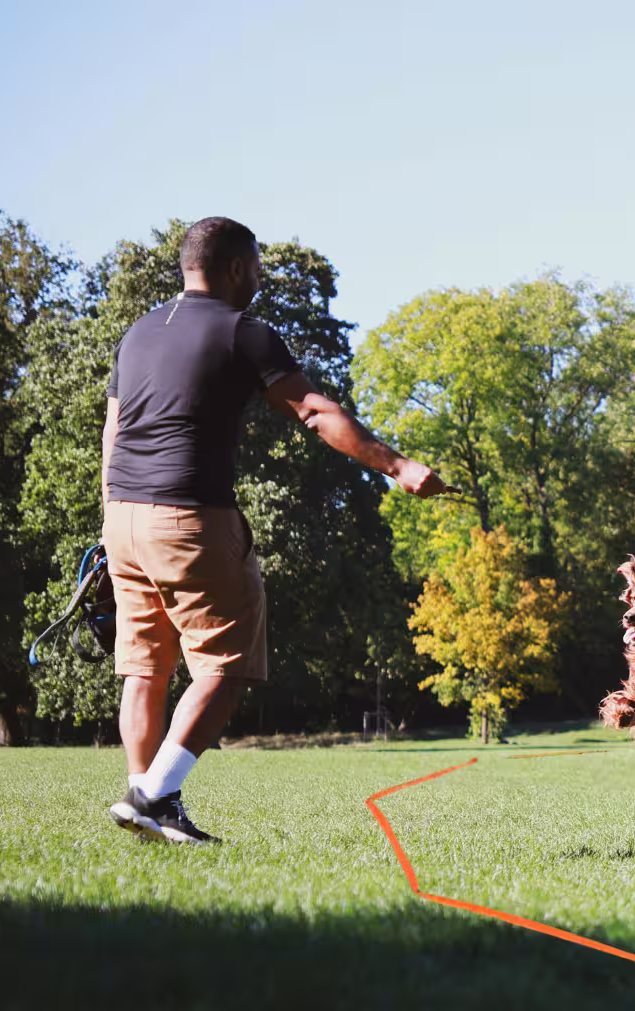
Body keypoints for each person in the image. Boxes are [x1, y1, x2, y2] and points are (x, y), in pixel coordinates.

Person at [103, 216, 455, 843]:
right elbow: (315, 413)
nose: (260, 279)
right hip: (191, 516)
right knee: (226, 666)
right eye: (258, 267)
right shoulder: (245, 331)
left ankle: (150, 805)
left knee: (144, 669)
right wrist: (397, 465)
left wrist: (113, 521)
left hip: (122, 517)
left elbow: (115, 432)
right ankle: (151, 794)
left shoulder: (136, 334)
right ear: (236, 266)